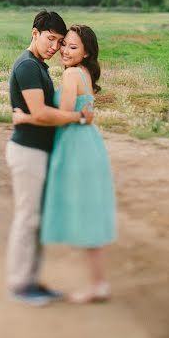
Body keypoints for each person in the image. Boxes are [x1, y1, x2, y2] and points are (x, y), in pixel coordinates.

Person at [13, 24, 116, 304]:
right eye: (64, 45)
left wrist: (25, 118)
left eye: (73, 47)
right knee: (87, 211)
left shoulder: (72, 74)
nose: (64, 52)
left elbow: (61, 114)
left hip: (76, 146)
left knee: (83, 214)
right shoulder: (83, 73)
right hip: (87, 142)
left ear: (85, 53)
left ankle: (97, 284)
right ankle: (98, 282)